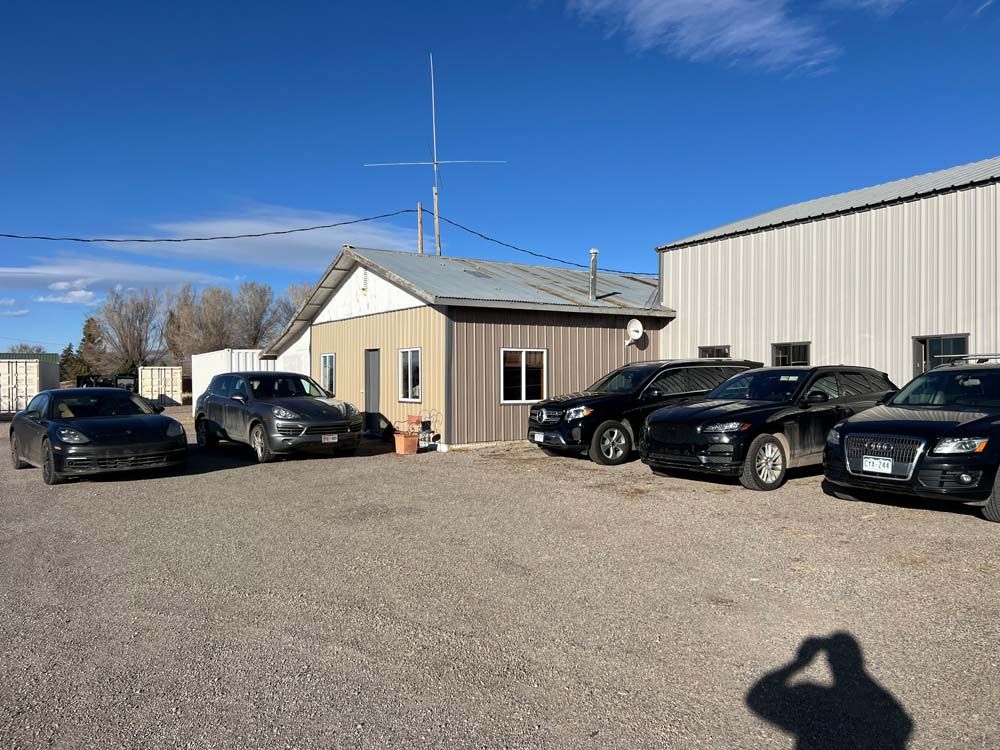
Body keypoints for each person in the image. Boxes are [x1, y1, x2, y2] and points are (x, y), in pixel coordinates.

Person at [746, 632, 913, 750]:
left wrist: (799, 662)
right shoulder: (891, 711)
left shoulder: (814, 698)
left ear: (829, 661)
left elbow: (757, 698)